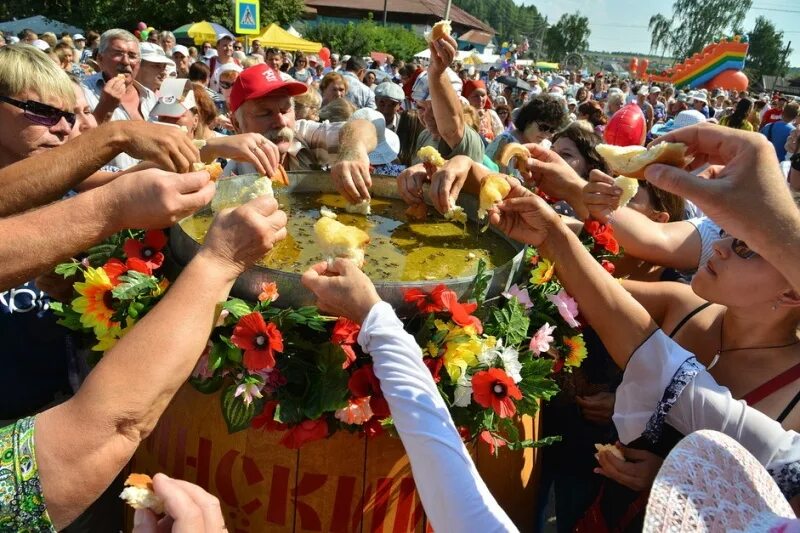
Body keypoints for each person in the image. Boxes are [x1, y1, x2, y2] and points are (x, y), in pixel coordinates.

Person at [225, 64, 378, 204]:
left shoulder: (303, 135)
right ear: (237, 124)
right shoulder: (232, 177)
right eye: (265, 113)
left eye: (286, 110)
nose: (281, 121)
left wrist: (353, 151)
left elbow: (364, 125)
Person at [82, 29, 158, 169]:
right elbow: (76, 148)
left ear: (139, 63)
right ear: (100, 58)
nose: (125, 61)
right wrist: (105, 107)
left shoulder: (150, 96)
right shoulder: (82, 93)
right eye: (118, 54)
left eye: (132, 56)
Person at [485, 93, 567, 176]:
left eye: (552, 130)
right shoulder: (504, 141)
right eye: (543, 127)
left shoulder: (547, 146)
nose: (547, 134)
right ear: (528, 120)